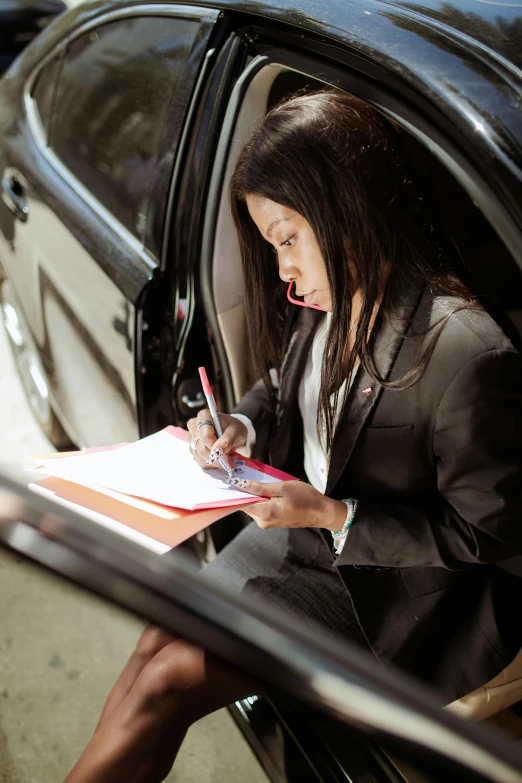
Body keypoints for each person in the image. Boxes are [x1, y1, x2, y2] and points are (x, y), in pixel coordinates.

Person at [65, 91, 522, 783]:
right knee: (156, 638)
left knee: (170, 682)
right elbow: (283, 386)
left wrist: (337, 515)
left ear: (344, 210)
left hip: (386, 590)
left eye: (286, 239)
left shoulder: (465, 351)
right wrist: (239, 424)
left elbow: (489, 532)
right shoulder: (324, 297)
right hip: (302, 531)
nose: (282, 270)